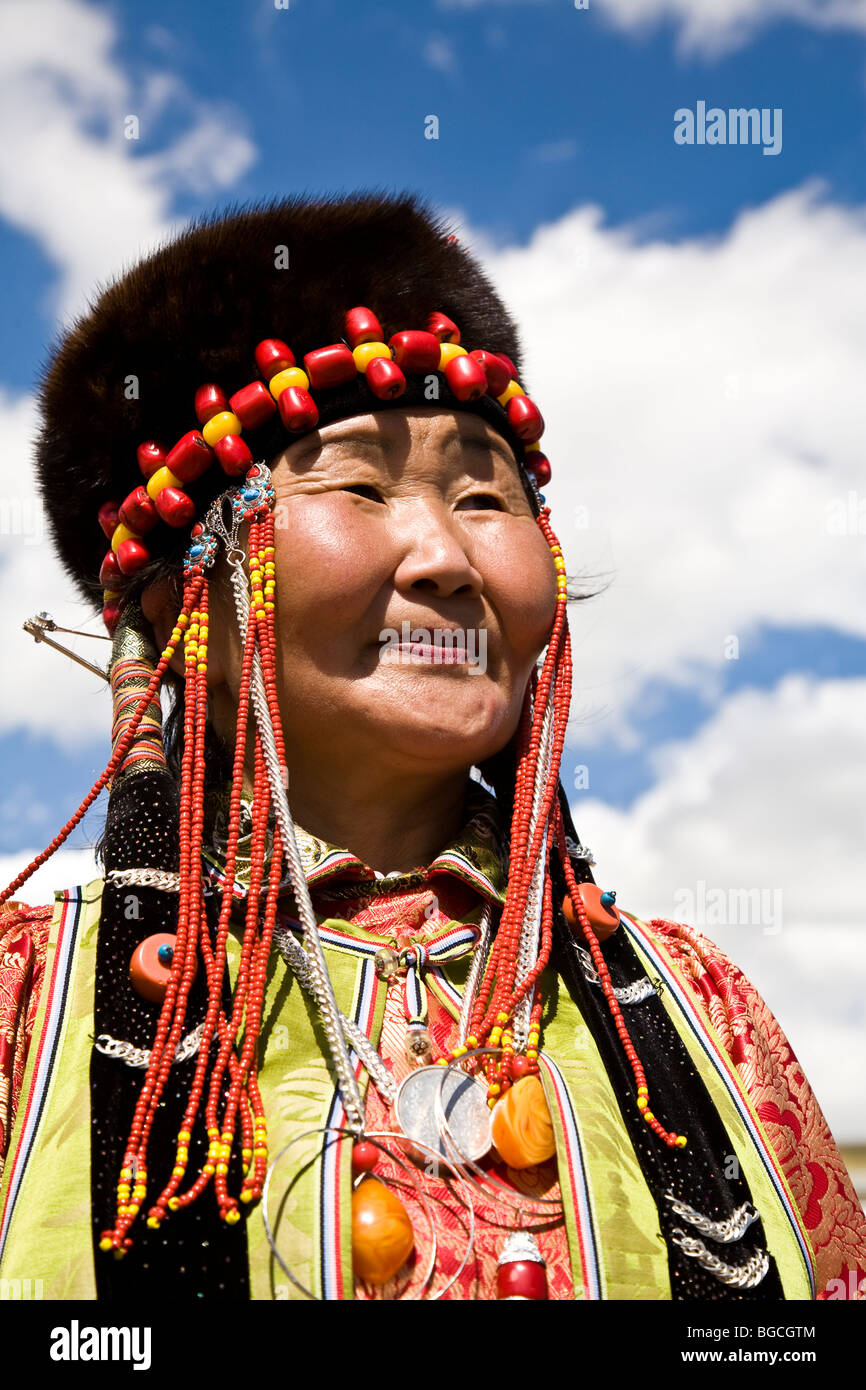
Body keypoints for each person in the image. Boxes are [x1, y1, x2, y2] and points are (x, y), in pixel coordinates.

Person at [0, 191, 863, 1302]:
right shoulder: (32, 1002)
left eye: (481, 494)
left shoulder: (698, 1016)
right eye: (356, 483)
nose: (445, 555)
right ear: (179, 615)